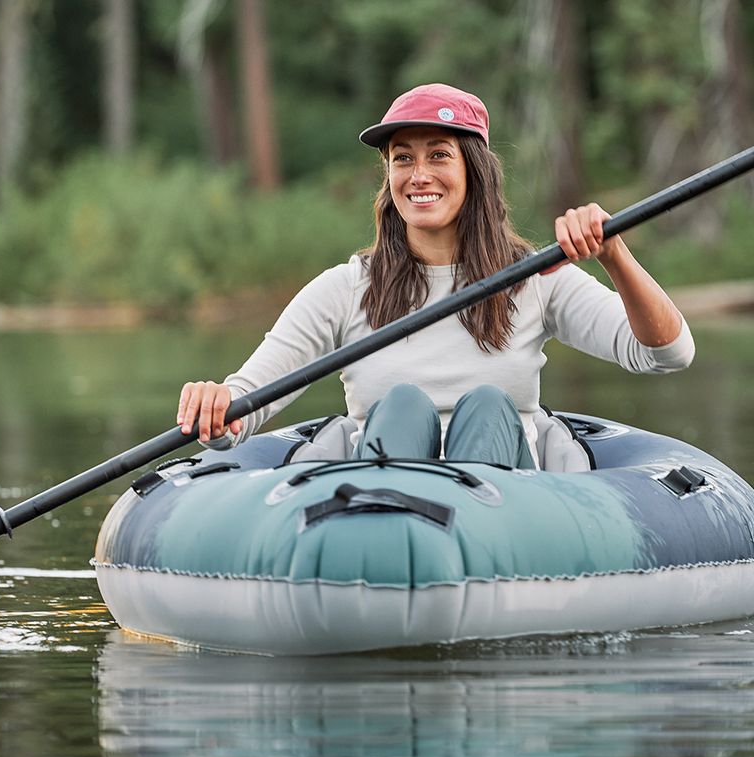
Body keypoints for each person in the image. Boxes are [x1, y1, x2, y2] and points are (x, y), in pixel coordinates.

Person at [176, 83, 694, 468]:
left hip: (503, 509)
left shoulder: (537, 278)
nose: (418, 175)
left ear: (475, 171)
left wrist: (615, 255)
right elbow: (243, 411)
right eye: (403, 159)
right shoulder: (345, 288)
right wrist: (216, 407)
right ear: (389, 177)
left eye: (439, 155)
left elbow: (667, 353)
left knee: (489, 406)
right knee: (401, 404)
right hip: (383, 499)